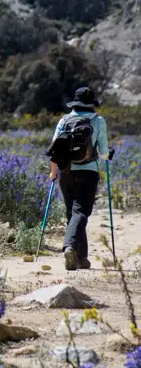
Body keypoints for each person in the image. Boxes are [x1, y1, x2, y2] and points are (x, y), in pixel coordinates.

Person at [49, 87, 110, 271]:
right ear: (91, 104)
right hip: (88, 172)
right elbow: (104, 152)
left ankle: (81, 259)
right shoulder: (98, 121)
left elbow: (54, 150)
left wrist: (53, 173)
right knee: (81, 212)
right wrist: (107, 156)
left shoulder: (64, 120)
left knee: (73, 213)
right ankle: (69, 247)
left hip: (65, 172)